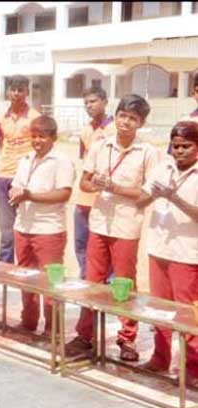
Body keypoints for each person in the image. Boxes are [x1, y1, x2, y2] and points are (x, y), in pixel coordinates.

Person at [65, 94, 161, 361]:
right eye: (122, 116)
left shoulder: (148, 152)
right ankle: (86, 335)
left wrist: (115, 188)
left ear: (141, 123)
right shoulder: (101, 145)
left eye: (132, 119)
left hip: (127, 227)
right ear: (115, 115)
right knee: (92, 282)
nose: (125, 123)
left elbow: (147, 195)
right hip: (99, 222)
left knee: (124, 284)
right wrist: (95, 184)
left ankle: (127, 339)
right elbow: (83, 183)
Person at [136, 121, 198, 385]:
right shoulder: (164, 167)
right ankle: (160, 358)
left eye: (186, 146)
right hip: (158, 248)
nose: (180, 151)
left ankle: (193, 366)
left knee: (187, 313)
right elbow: (140, 201)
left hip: (187, 254)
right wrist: (152, 194)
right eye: (176, 146)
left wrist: (174, 198)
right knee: (159, 309)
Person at [7, 116, 75, 334]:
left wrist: (31, 196)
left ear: (53, 137)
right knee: (26, 278)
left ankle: (53, 328)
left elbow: (64, 193)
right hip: (23, 227)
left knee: (50, 282)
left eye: (42, 136)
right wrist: (15, 193)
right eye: (34, 136)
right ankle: (28, 321)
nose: (37, 141)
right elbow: (16, 186)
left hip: (48, 229)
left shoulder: (61, 161)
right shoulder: (25, 159)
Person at [0, 75, 41, 264]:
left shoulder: (35, 117)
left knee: (26, 223)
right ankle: (5, 264)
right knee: (6, 226)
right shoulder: (0, 118)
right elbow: (0, 143)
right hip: (3, 175)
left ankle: (27, 265)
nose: (16, 93)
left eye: (20, 90)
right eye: (13, 89)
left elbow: (40, 145)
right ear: (8, 92)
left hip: (25, 178)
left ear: (27, 93)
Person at [74, 86, 115, 279]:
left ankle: (108, 286)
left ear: (105, 102)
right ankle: (85, 279)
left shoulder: (115, 129)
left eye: (93, 101)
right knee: (81, 243)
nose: (89, 106)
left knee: (106, 246)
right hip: (84, 197)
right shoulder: (85, 130)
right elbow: (84, 161)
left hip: (105, 198)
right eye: (86, 103)